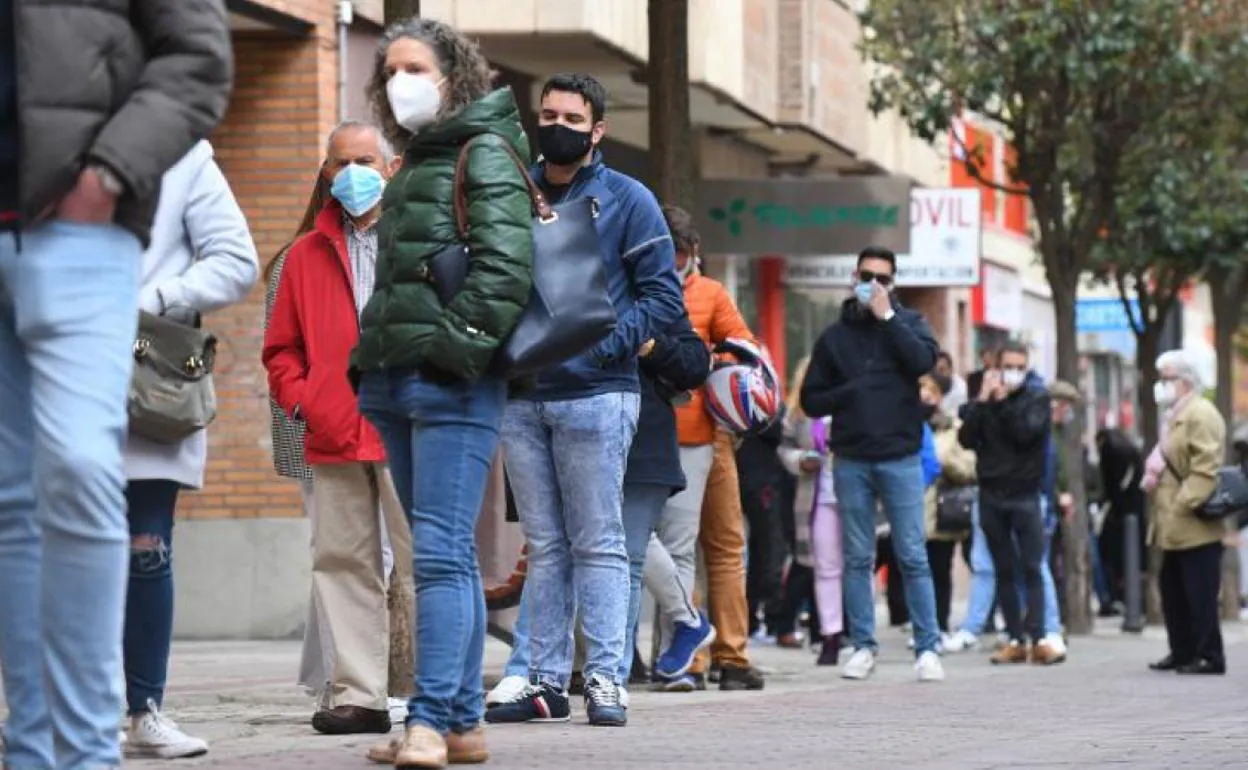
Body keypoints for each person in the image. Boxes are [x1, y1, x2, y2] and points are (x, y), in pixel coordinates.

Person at [0, 3, 232, 767]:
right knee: (9, 499)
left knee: (82, 470)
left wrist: (103, 177)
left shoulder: (184, 169)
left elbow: (197, 57)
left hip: (79, 228)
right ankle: (33, 750)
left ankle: (89, 749)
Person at [352, 18, 536, 767]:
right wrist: (370, 362)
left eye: (416, 67)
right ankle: (460, 723)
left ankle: (429, 721)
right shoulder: (416, 160)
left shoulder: (483, 151)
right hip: (397, 380)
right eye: (390, 68)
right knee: (446, 555)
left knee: (435, 557)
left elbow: (503, 272)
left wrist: (447, 358)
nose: (401, 81)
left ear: (455, 75)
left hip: (450, 384)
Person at [494, 72, 683, 727]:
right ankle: (542, 679)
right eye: (548, 114)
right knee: (545, 544)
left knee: (599, 542)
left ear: (597, 129)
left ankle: (605, 676)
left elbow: (663, 296)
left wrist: (605, 348)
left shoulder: (629, 199)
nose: (558, 126)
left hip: (599, 395)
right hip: (521, 397)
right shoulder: (512, 191)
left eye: (573, 118)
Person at [263, 120, 414, 736]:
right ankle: (360, 694)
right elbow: (281, 350)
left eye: (364, 160)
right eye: (340, 162)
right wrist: (305, 401)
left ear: (392, 167)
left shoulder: (423, 240)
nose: (352, 173)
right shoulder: (304, 255)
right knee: (342, 562)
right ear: (325, 173)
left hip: (408, 427)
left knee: (424, 563)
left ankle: (441, 694)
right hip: (333, 432)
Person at [121, 141, 257, 758]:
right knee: (42, 544)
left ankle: (145, 709)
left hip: (145, 373)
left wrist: (150, 302)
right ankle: (53, 704)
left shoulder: (182, 153)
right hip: (47, 362)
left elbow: (235, 259)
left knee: (146, 547)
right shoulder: (37, 130)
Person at [799, 246, 945, 683]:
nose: (874, 285)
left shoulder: (909, 324)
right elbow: (809, 400)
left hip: (900, 456)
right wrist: (852, 393)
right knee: (857, 557)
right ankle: (863, 645)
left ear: (893, 283)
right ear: (854, 276)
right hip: (852, 459)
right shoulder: (835, 338)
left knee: (912, 554)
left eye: (883, 278)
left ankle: (928, 647)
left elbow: (923, 362)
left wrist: (888, 317)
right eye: (867, 276)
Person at [644, 205, 762, 690]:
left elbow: (746, 350)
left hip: (709, 435)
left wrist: (705, 358)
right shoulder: (645, 285)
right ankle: (688, 659)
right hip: (660, 435)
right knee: (673, 548)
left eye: (680, 254)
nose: (673, 262)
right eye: (665, 253)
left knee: (725, 546)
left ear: (693, 253)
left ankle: (730, 656)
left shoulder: (711, 293)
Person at [957, 341, 1063, 665]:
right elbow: (966, 438)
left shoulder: (1036, 397)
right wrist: (981, 401)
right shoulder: (987, 400)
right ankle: (1015, 638)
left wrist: (1001, 404)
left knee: (1032, 566)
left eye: (1020, 366)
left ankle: (1041, 635)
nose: (1014, 373)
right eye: (1009, 366)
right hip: (991, 494)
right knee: (1002, 568)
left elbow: (1025, 434)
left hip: (1025, 495)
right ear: (996, 367)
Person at [1144, 349, 1227, 675]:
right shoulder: (1175, 414)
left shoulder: (1200, 414)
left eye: (1167, 379)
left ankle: (1209, 654)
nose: (1162, 385)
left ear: (1186, 380)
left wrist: (1182, 504)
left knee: (1200, 593)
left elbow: (1206, 467)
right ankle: (1182, 650)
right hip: (1173, 523)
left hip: (1193, 523)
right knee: (1173, 590)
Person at [779, 357, 844, 666]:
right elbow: (784, 447)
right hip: (813, 495)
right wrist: (800, 460)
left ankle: (854, 631)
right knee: (817, 566)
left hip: (851, 493)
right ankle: (827, 634)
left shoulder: (851, 403)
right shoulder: (799, 414)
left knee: (855, 564)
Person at [920, 374, 975, 643]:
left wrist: (946, 462)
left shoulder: (954, 428)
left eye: (930, 390)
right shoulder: (906, 425)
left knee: (939, 571)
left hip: (941, 512)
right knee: (917, 571)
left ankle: (939, 625)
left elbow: (969, 466)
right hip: (913, 508)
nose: (925, 395)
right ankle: (921, 624)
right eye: (920, 389)